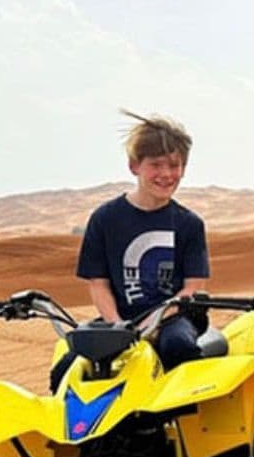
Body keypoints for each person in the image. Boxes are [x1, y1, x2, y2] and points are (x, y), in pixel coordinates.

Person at [73, 110, 210, 373]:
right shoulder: (105, 218)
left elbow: (192, 288)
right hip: (119, 321)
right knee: (70, 365)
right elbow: (98, 283)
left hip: (174, 319)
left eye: (174, 165)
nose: (166, 174)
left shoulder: (189, 224)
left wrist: (152, 324)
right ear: (135, 165)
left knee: (178, 347)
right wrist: (117, 327)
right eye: (156, 165)